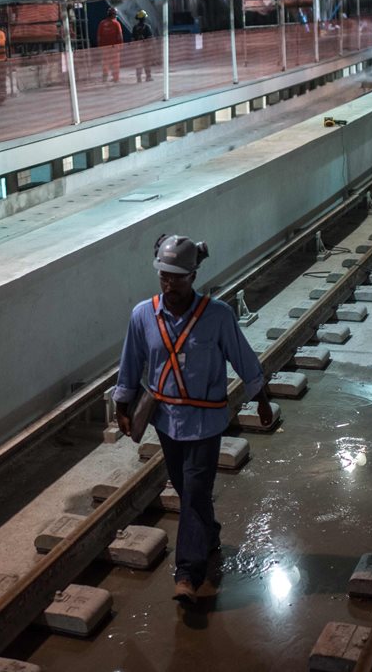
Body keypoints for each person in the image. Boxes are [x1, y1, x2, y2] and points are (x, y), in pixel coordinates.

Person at [113, 234, 277, 605]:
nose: (169, 284)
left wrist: (262, 400)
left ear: (193, 275)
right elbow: (131, 362)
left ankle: (187, 572)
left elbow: (242, 357)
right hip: (167, 421)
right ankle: (209, 534)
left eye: (177, 277)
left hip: (206, 423)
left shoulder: (217, 316)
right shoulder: (144, 315)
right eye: (163, 277)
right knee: (188, 491)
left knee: (194, 490)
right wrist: (122, 405)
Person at [97, 6, 124, 83]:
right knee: (115, 63)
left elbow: (99, 36)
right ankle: (116, 78)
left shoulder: (102, 23)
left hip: (104, 48)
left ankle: (105, 78)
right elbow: (120, 36)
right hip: (114, 48)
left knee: (105, 63)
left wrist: (99, 47)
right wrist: (121, 45)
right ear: (114, 14)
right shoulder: (116, 23)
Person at [131, 9, 156, 83]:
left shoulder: (135, 27)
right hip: (146, 49)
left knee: (138, 63)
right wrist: (152, 47)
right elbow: (150, 38)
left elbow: (132, 39)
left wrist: (134, 48)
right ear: (144, 18)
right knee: (147, 63)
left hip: (137, 49)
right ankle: (148, 77)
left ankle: (139, 78)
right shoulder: (147, 27)